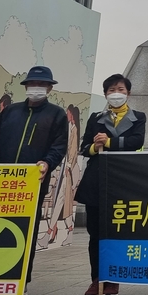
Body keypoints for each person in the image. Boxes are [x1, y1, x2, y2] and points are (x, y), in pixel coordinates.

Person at [0, 65, 69, 288]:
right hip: (2, 182)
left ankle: (19, 280)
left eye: (41, 85)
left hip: (31, 184)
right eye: (32, 84)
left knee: (25, 231)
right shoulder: (10, 112)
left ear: (49, 88)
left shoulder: (56, 115)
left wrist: (47, 163)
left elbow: (59, 147)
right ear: (26, 86)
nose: (36, 88)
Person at [75, 74, 146, 295]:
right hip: (96, 179)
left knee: (117, 232)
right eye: (112, 89)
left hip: (123, 180)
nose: (117, 93)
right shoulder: (96, 117)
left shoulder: (138, 117)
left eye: (121, 89)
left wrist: (109, 142)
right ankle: (96, 279)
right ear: (106, 94)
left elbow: (137, 142)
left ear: (128, 93)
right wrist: (95, 147)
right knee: (95, 234)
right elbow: (83, 147)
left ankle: (113, 279)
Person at [38, 104, 82, 249]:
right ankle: (59, 232)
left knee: (61, 203)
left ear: (72, 114)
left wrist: (68, 167)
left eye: (68, 113)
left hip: (67, 172)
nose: (67, 115)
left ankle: (49, 234)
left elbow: (73, 151)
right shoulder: (68, 128)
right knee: (62, 204)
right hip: (63, 170)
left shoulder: (74, 130)